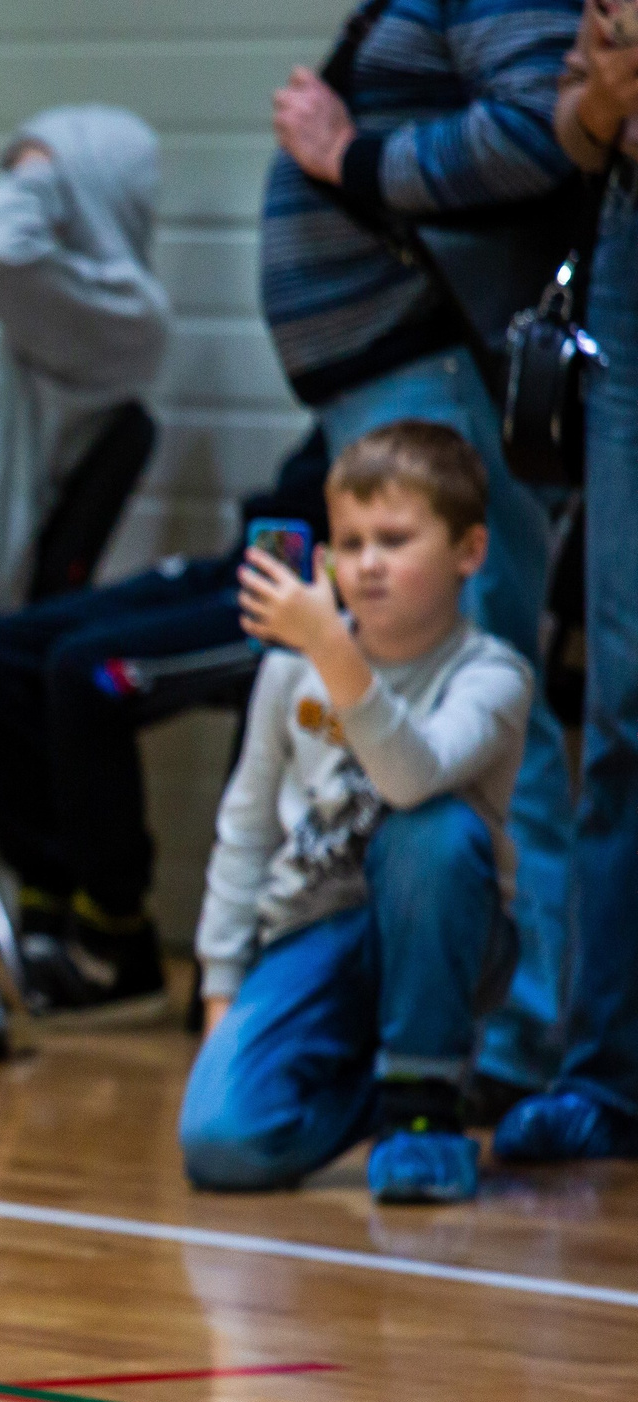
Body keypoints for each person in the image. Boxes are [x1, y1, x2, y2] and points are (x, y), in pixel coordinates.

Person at [259, 0, 580, 1109]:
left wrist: (348, 156)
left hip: (437, 364)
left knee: (494, 702)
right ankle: (502, 1027)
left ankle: (527, 1036)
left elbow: (541, 127)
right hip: (393, 371)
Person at [181, 423, 533, 1204]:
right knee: (220, 1147)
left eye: (395, 540)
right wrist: (221, 999)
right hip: (310, 936)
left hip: (441, 936)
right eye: (349, 542)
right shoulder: (286, 673)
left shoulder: (492, 678)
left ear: (468, 553)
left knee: (432, 831)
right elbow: (245, 835)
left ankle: (422, 1108)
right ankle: (389, 1086)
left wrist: (329, 653)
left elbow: (412, 779)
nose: (366, 564)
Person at [0, 430, 332, 1017]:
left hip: (312, 588)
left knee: (87, 673)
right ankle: (45, 916)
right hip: (259, 553)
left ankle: (113, 938)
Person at [500, 4, 638, 1160]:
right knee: (622, 706)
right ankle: (606, 1076)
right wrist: (614, 84)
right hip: (629, 255)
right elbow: (572, 127)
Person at [0, 105, 171, 628]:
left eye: (46, 189)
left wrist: (36, 168)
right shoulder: (80, 302)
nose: (21, 198)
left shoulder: (124, 313)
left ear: (92, 195)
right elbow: (29, 421)